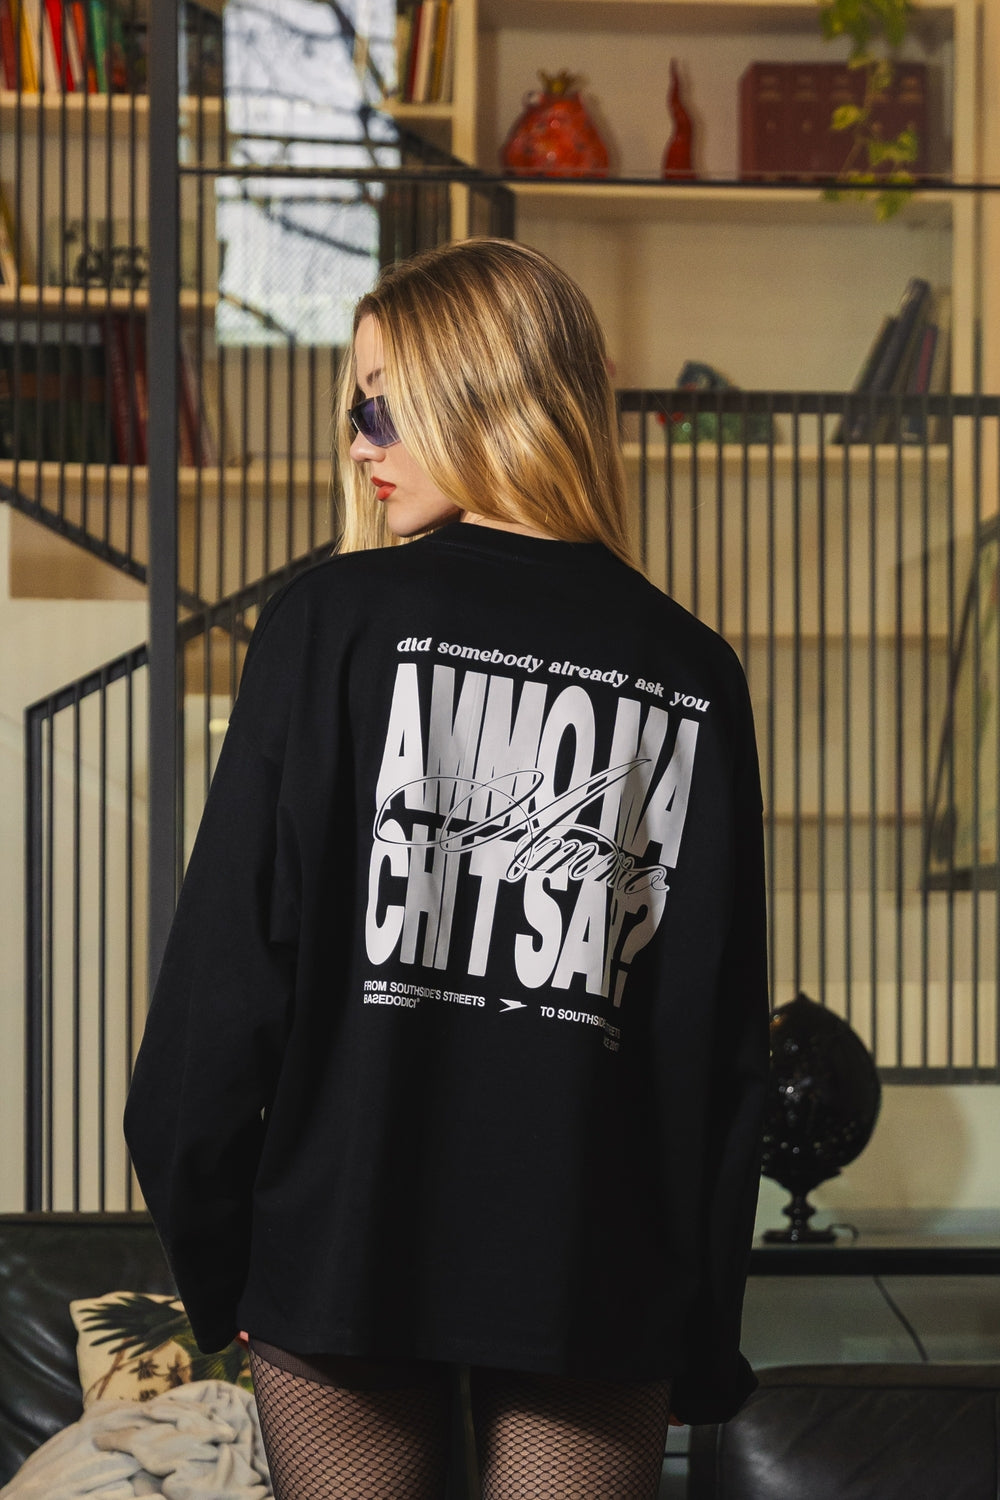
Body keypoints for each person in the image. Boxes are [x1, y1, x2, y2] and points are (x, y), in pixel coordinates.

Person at [125, 237, 770, 1500]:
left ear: (477, 393)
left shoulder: (329, 625)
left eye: (379, 403)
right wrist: (697, 1329)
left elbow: (220, 995)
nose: (356, 441)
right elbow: (710, 1046)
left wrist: (226, 1256)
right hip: (597, 1270)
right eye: (352, 409)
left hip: (343, 1251)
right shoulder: (692, 672)